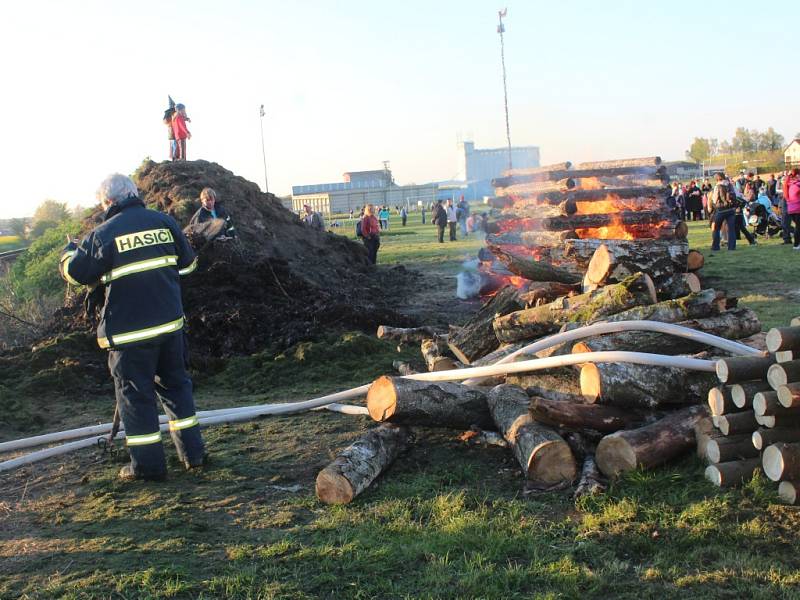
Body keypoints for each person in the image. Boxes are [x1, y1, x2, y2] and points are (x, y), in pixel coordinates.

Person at [58, 174, 204, 481]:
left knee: (136, 398)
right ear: (134, 194)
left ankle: (148, 468)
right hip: (169, 325)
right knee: (177, 389)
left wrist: (68, 255)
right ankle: (193, 455)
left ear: (109, 202)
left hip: (129, 334)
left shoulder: (103, 234)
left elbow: (77, 273)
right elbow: (188, 266)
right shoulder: (164, 223)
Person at [710, 172, 739, 252]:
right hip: (731, 209)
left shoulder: (718, 186)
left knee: (716, 228)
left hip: (721, 210)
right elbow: (736, 195)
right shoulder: (730, 185)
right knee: (731, 229)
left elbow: (715, 199)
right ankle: (732, 247)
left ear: (717, 179)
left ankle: (715, 247)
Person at [784, 168, 800, 249]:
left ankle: (797, 244)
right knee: (798, 226)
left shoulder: (789, 183)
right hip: (798, 207)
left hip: (791, 209)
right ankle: (796, 245)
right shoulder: (797, 184)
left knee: (798, 226)